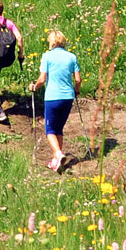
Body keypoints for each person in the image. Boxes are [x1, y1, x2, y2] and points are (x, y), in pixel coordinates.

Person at [29, 30, 81, 173]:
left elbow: (42, 79)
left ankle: (58, 154)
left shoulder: (47, 56)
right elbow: (78, 79)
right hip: (68, 97)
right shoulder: (72, 57)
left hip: (53, 97)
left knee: (50, 130)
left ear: (51, 42)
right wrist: (76, 90)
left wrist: (34, 87)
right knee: (59, 128)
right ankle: (56, 161)